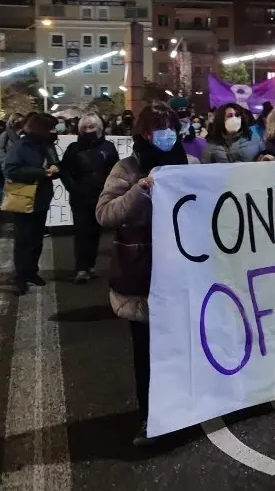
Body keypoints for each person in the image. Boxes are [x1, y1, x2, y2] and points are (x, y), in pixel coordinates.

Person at [95, 102, 198, 446]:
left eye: (171, 126)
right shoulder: (126, 168)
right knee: (149, 353)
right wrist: (139, 191)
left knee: (185, 348)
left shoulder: (192, 165)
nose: (167, 134)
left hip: (185, 273)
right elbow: (105, 214)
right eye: (159, 127)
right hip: (144, 277)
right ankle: (150, 418)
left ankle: (186, 411)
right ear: (143, 133)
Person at [3, 113, 59, 294]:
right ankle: (21, 276)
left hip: (42, 198)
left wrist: (56, 169)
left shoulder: (48, 145)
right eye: (50, 128)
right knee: (23, 239)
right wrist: (41, 172)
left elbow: (55, 165)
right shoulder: (20, 146)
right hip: (24, 198)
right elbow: (11, 170)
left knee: (36, 238)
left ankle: (32, 272)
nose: (53, 131)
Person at [59, 113, 118, 284]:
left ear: (98, 128)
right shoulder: (73, 149)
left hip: (101, 196)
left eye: (91, 127)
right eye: (85, 128)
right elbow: (65, 171)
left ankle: (90, 265)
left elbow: (115, 169)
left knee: (95, 232)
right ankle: (81, 268)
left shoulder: (108, 147)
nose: (88, 130)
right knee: (82, 232)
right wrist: (74, 188)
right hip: (80, 197)